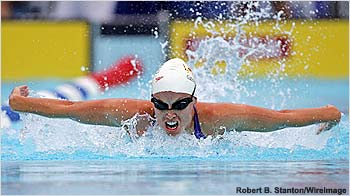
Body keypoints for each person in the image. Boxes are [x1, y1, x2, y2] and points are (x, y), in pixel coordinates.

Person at [9, 58, 341, 139]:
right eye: (162, 104)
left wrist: (328, 112)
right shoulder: (130, 115)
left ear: (194, 101)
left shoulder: (217, 118)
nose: (170, 112)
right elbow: (70, 110)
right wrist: (20, 104)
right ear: (151, 102)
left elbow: (281, 118)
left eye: (180, 104)